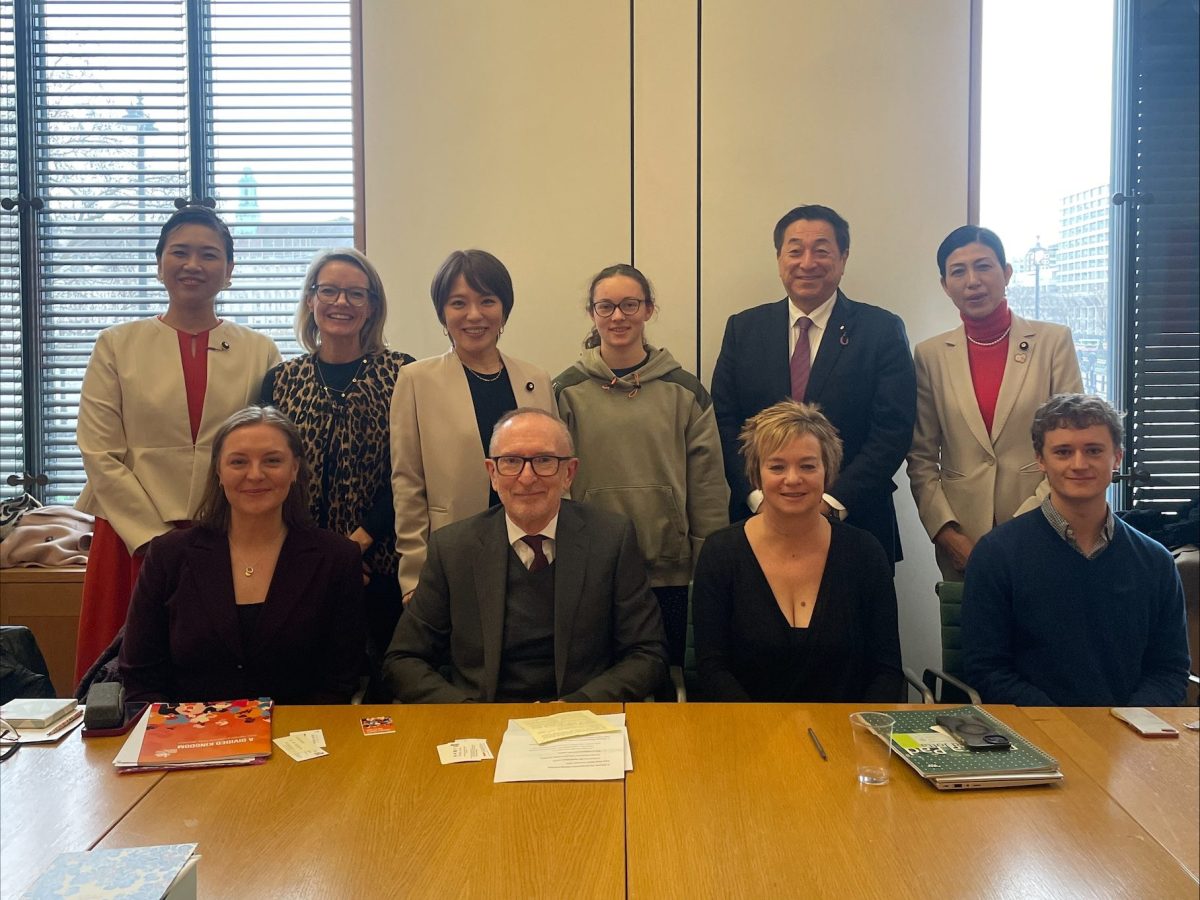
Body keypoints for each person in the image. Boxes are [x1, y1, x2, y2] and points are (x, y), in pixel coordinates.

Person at [74, 206, 280, 686]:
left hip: (224, 533)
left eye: (209, 255)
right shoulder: (116, 344)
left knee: (217, 679)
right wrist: (150, 536)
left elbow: (269, 447)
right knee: (123, 685)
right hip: (131, 537)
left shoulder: (260, 349)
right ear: (159, 262)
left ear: (229, 271)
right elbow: (100, 450)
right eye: (180, 252)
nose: (194, 264)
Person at [383, 408, 668, 703]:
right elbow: (403, 660)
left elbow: (647, 654)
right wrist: (467, 713)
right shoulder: (453, 548)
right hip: (482, 720)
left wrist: (576, 707)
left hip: (581, 722)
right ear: (492, 473)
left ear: (568, 473)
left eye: (544, 460)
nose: (527, 477)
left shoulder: (611, 539)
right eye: (511, 461)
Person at [711, 204, 916, 568]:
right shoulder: (744, 329)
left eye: (821, 250)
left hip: (856, 523)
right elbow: (725, 423)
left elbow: (892, 432)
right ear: (779, 258)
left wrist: (829, 504)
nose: (807, 262)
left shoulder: (880, 330)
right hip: (757, 522)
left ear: (843, 257)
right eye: (795, 250)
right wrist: (759, 498)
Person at [119, 406, 367, 705]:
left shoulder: (337, 558)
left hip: (298, 739)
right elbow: (140, 679)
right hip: (187, 740)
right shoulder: (168, 555)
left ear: (295, 470)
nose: (255, 474)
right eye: (238, 462)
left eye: (272, 461)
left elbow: (339, 681)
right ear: (219, 472)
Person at [962, 394, 1190, 706]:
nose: (1079, 464)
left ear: (1117, 458)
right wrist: (1064, 726)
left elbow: (1169, 670)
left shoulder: (1155, 561)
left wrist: (1130, 724)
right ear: (1041, 460)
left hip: (1132, 737)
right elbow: (986, 669)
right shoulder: (996, 554)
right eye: (1063, 452)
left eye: (1094, 450)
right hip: (1035, 735)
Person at [553, 264, 728, 665]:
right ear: (592, 313)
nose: (618, 316)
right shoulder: (565, 391)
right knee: (595, 679)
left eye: (630, 304)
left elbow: (708, 487)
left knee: (664, 679)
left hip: (667, 570)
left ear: (649, 309)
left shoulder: (685, 391)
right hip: (589, 569)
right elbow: (554, 483)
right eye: (606, 306)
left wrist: (708, 564)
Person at [261, 248, 414, 665]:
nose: (341, 303)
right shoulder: (280, 382)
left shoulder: (404, 375)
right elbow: (269, 477)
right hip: (297, 564)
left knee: (387, 694)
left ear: (372, 306)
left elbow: (411, 474)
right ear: (311, 300)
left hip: (383, 566)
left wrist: (355, 547)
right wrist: (323, 556)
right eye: (328, 291)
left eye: (354, 294)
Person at [692, 401, 903, 702]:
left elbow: (886, 671)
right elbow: (713, 670)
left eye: (807, 466)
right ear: (756, 474)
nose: (793, 479)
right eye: (777, 466)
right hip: (747, 735)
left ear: (827, 471)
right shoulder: (720, 553)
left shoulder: (865, 552)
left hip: (846, 736)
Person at [907, 226, 1083, 580]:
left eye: (984, 266)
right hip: (964, 543)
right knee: (972, 635)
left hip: (1043, 528)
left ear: (1006, 273)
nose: (973, 281)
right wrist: (946, 534)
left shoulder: (1052, 343)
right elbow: (921, 458)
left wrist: (1027, 527)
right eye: (958, 271)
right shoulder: (930, 355)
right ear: (945, 285)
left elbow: (1071, 445)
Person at [390, 250, 556, 602]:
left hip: (530, 553)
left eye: (487, 301)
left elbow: (554, 471)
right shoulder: (416, 380)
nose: (474, 315)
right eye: (458, 303)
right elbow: (407, 483)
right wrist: (414, 574)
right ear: (443, 312)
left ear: (504, 309)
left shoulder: (535, 379)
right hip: (451, 552)